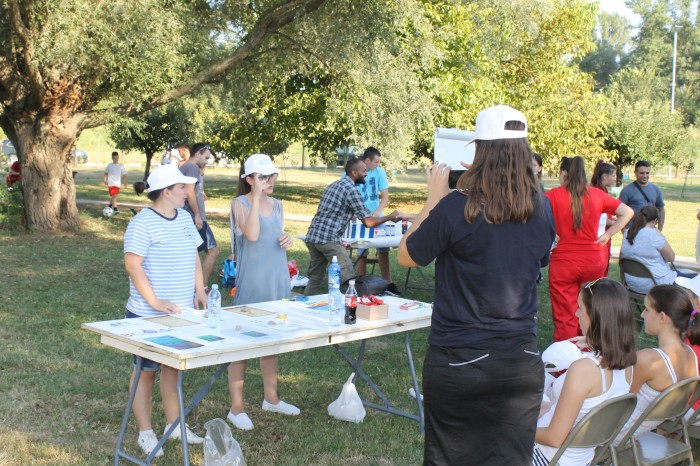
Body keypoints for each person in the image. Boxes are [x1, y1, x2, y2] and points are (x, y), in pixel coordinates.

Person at [398, 105, 556, 465]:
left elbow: (407, 255)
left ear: (481, 151)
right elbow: (536, 258)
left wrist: (433, 197)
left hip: (462, 360)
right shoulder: (541, 207)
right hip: (522, 359)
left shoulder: (458, 206)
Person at [124, 164, 207, 457]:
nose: (188, 192)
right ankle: (145, 432)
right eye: (183, 188)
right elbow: (133, 265)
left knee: (173, 369)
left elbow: (195, 257)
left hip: (180, 314)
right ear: (167, 192)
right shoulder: (142, 223)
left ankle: (175, 426)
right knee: (146, 372)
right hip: (146, 315)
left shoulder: (184, 219)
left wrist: (199, 290)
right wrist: (155, 302)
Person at [227, 153, 299, 430]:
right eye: (263, 177)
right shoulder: (239, 203)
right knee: (241, 344)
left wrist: (286, 239)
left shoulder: (278, 205)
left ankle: (271, 398)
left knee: (272, 342)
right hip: (251, 283)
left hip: (276, 280)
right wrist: (256, 196)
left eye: (271, 176)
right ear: (249, 179)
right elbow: (253, 235)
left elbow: (272, 238)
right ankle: (237, 407)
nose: (269, 181)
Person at [534, 278, 636, 466]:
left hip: (546, 457)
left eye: (580, 308)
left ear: (595, 316)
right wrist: (595, 341)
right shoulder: (628, 365)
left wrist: (513, 427)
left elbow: (554, 438)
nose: (575, 313)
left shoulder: (584, 370)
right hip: (581, 459)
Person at [546, 156, 633, 341]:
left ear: (564, 174)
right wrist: (608, 235)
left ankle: (565, 360)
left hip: (564, 262)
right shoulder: (597, 194)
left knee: (564, 315)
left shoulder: (553, 195)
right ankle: (593, 353)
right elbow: (628, 212)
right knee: (593, 309)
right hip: (593, 260)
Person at [613, 285, 699, 445]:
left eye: (646, 309)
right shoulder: (690, 355)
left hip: (617, 434)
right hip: (641, 429)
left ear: (662, 317)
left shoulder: (649, 360)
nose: (642, 314)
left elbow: (617, 401)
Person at [304, 157, 400, 296]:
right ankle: (350, 311)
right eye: (364, 171)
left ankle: (305, 307)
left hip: (313, 236)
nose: (366, 173)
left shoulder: (333, 185)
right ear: (354, 173)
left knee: (315, 278)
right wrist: (389, 217)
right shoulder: (351, 190)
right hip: (329, 239)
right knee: (348, 279)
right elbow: (368, 222)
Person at [349, 147, 401, 295]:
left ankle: (388, 283)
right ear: (367, 161)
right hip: (360, 217)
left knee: (383, 248)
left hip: (378, 217)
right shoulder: (354, 170)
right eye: (376, 162)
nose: (378, 164)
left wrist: (378, 211)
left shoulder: (379, 172)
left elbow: (385, 195)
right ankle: (361, 281)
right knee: (362, 249)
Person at [620, 205, 696, 294]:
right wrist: (660, 234)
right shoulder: (653, 234)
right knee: (696, 278)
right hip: (656, 284)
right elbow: (671, 258)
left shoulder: (627, 232)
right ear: (655, 220)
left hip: (632, 284)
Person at [179, 143, 220, 287]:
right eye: (206, 158)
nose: (207, 161)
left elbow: (192, 190)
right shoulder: (191, 167)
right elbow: (189, 191)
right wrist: (197, 215)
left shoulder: (188, 167)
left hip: (188, 217)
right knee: (213, 251)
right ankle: (202, 287)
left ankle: (194, 286)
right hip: (193, 218)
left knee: (191, 254)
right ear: (197, 154)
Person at [619, 160, 666, 230]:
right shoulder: (626, 191)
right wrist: (624, 232)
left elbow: (661, 209)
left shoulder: (656, 189)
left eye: (647, 173)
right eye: (642, 173)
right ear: (635, 173)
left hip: (650, 231)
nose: (645, 176)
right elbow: (619, 212)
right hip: (632, 231)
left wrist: (659, 230)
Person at [590, 160, 618, 277]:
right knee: (600, 269)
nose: (615, 178)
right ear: (604, 176)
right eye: (613, 175)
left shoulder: (602, 190)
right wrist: (613, 223)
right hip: (601, 235)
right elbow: (599, 216)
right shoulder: (598, 192)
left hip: (605, 233)